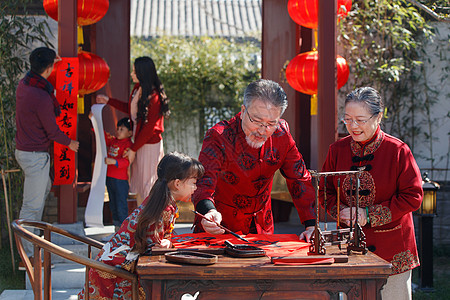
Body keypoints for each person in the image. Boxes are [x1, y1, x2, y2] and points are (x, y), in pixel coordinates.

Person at [321, 87, 423, 299]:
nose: (353, 126)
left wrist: (369, 214)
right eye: (347, 119)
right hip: (350, 245)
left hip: (393, 248)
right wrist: (340, 211)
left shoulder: (397, 150)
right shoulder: (337, 150)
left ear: (378, 116)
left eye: (360, 119)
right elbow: (324, 191)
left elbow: (413, 196)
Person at [192, 79, 316, 241]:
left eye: (271, 123)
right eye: (256, 121)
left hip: (261, 226)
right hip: (219, 225)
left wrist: (311, 224)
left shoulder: (281, 134)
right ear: (243, 111)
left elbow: (299, 177)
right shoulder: (219, 137)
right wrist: (208, 211)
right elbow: (203, 182)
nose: (262, 131)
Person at [78, 152, 204, 299]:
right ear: (177, 184)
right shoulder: (165, 207)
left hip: (112, 265)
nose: (195, 188)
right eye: (194, 183)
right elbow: (154, 248)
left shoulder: (160, 201)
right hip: (116, 271)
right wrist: (165, 243)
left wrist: (166, 241)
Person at [15, 47, 79, 267]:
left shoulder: (25, 85)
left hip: (25, 151)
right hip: (35, 156)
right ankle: (28, 257)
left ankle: (32, 251)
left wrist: (51, 60)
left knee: (39, 197)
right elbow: (52, 131)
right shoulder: (42, 96)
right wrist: (70, 143)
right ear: (50, 67)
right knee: (31, 207)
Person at [97, 56, 170, 205]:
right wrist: (109, 101)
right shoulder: (138, 89)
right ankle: (141, 223)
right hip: (139, 143)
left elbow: (150, 129)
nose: (131, 74)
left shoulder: (154, 96)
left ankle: (150, 224)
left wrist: (133, 148)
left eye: (134, 71)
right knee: (140, 186)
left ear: (143, 73)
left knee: (148, 185)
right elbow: (132, 111)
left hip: (149, 145)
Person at [104, 117, 133, 231]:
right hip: (110, 178)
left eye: (122, 129)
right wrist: (94, 121)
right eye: (118, 128)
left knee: (121, 205)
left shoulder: (128, 145)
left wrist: (114, 161)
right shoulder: (114, 141)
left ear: (129, 133)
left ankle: (123, 231)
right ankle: (116, 231)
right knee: (113, 205)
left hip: (121, 180)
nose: (118, 131)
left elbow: (126, 161)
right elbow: (103, 137)